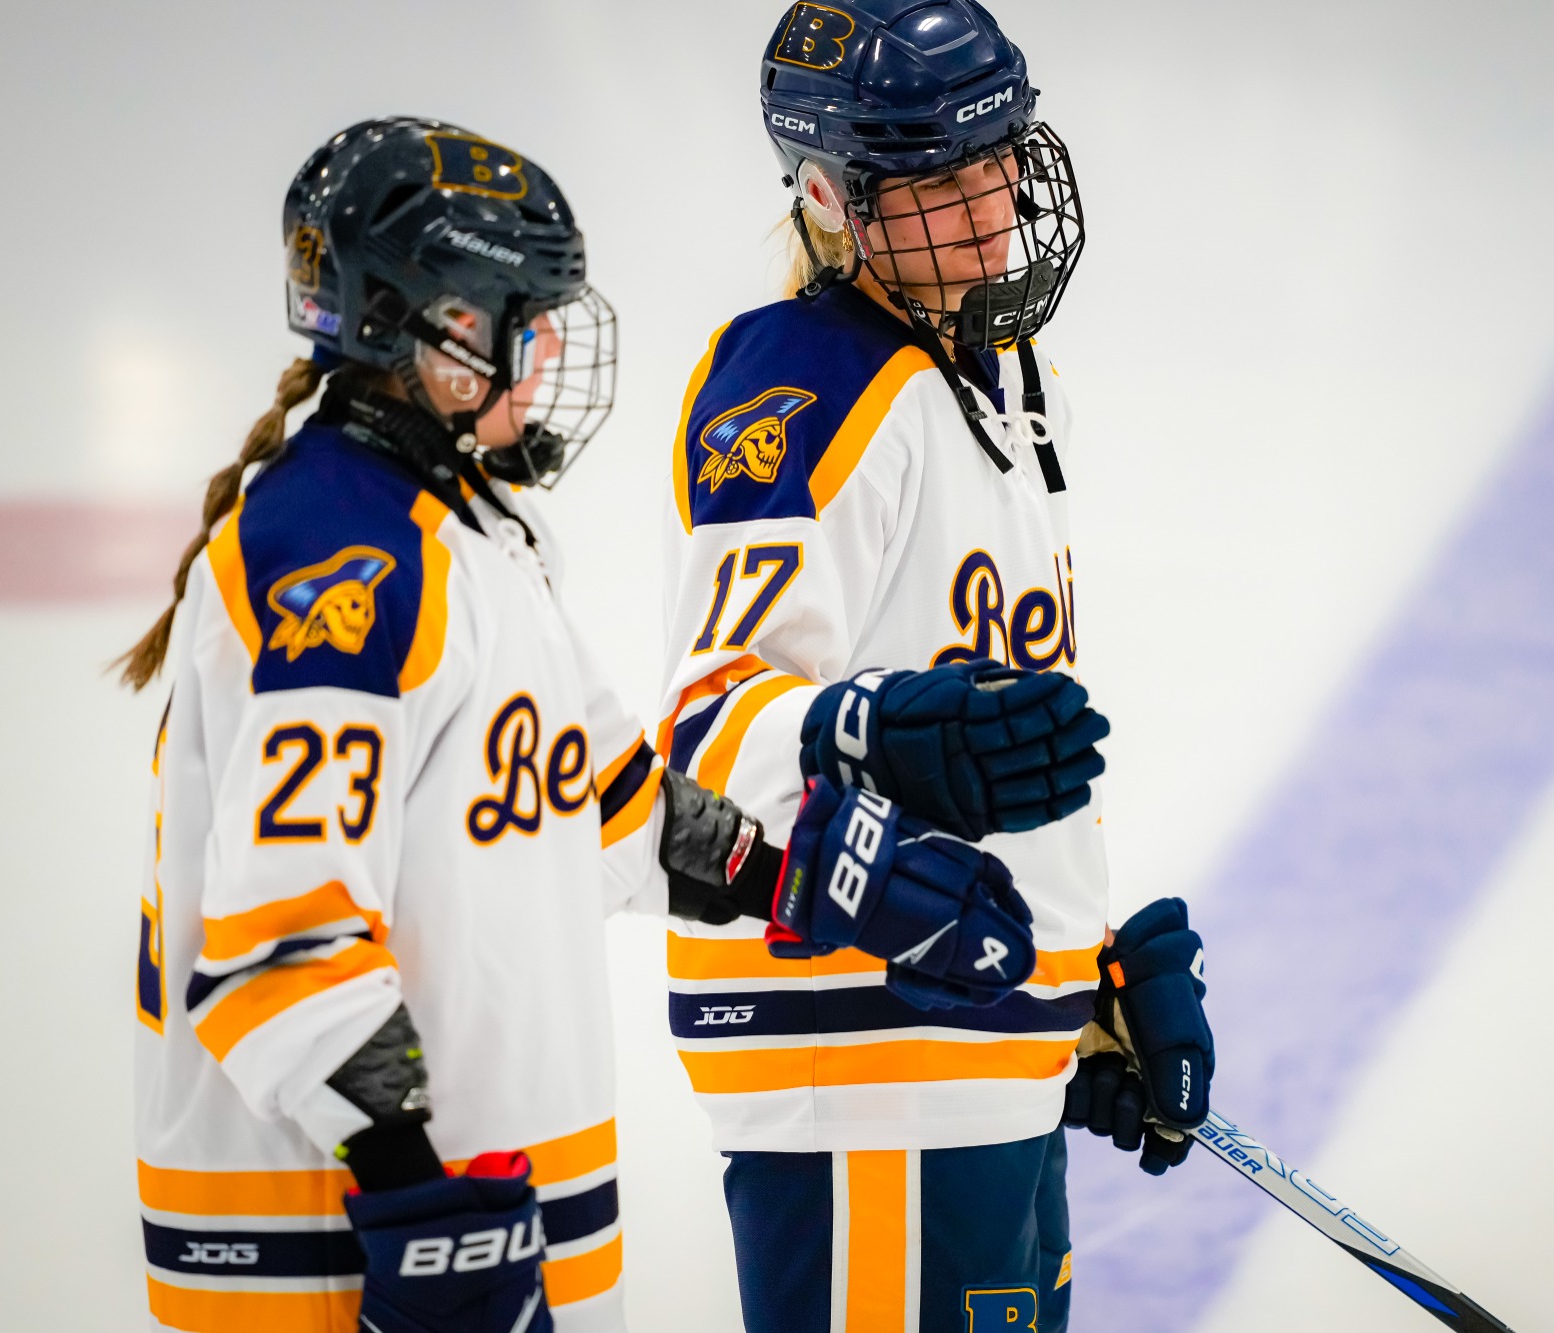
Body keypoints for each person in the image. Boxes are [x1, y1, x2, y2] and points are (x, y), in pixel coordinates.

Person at [120, 113, 1104, 1333]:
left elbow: (614, 804)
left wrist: (822, 881)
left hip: (495, 1217)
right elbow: (280, 935)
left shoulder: (470, 540)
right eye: (516, 325)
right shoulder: (335, 557)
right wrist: (408, 1184)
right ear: (416, 328)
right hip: (333, 1248)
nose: (543, 364)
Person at [653, 4, 1216, 1329]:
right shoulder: (799, 384)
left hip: (973, 1052)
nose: (983, 209)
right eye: (934, 182)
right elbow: (706, 737)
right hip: (861, 1062)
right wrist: (869, 728)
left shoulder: (1010, 379)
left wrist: (1075, 983)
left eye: (997, 161)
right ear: (833, 200)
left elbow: (990, 738)